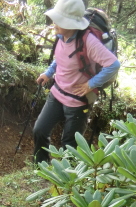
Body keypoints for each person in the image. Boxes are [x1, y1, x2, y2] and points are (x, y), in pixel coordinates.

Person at [33, 0, 120, 164]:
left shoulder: (89, 41)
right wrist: (49, 73)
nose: (54, 23)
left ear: (71, 24)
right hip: (57, 93)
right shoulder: (61, 36)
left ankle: (67, 176)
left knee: (70, 145)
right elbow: (62, 57)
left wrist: (91, 84)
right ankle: (41, 167)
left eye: (59, 20)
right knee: (40, 130)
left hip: (78, 101)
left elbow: (113, 65)